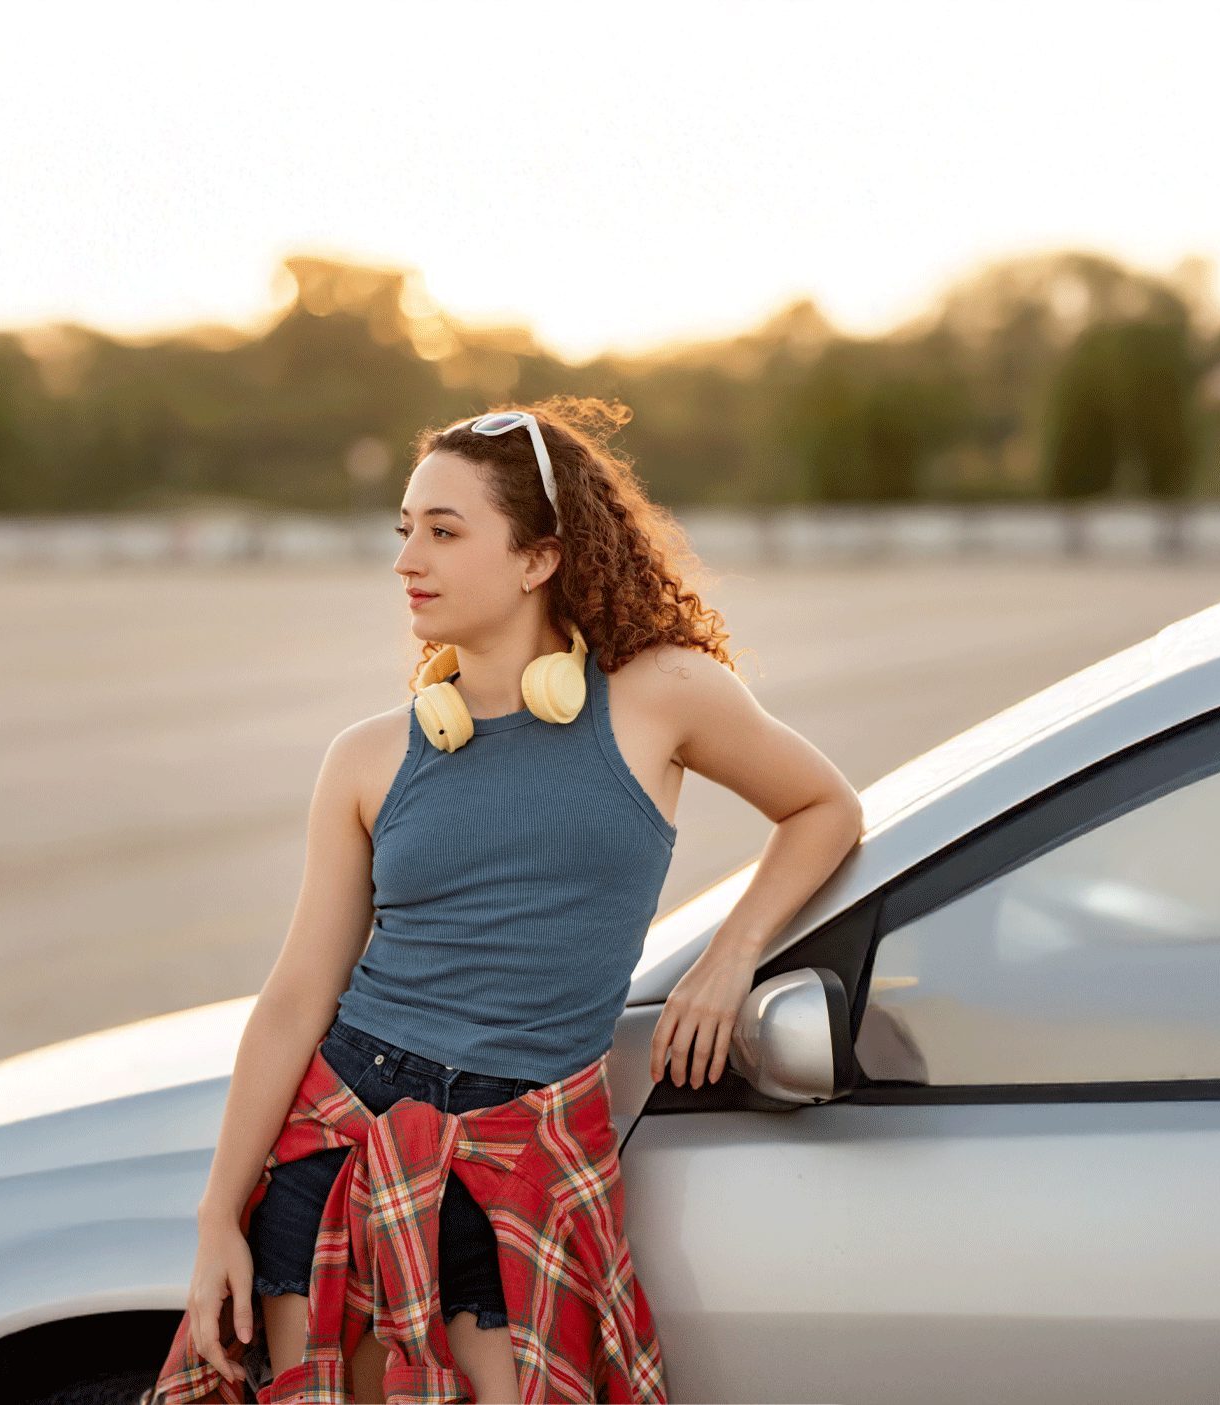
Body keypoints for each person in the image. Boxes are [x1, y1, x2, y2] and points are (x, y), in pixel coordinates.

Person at [151, 395, 865, 1402]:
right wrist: (216, 1217)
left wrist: (728, 957)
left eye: (445, 532)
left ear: (538, 558)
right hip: (343, 1137)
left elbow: (823, 808)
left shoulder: (662, 696)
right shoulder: (365, 758)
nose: (409, 560)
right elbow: (296, 998)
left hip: (521, 1153)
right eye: (406, 532)